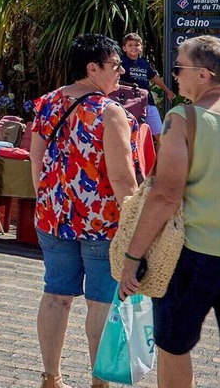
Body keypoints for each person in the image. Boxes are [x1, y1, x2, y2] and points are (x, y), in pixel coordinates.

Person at [118, 35, 220, 387]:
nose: (174, 75)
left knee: (173, 346)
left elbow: (165, 195)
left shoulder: (182, 119)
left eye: (179, 67)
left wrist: (134, 254)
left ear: (204, 75)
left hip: (194, 254)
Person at [28, 34, 139, 388]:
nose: (121, 70)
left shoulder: (46, 102)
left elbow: (36, 159)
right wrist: (137, 221)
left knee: (56, 295)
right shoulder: (110, 112)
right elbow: (123, 177)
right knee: (100, 303)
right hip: (101, 219)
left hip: (53, 216)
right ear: (93, 68)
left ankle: (51, 377)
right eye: (115, 65)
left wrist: (46, 198)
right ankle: (99, 381)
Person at [120, 32, 175, 137]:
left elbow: (155, 78)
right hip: (128, 102)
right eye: (130, 45)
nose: (134, 47)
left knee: (159, 134)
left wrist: (168, 91)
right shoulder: (121, 62)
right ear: (124, 48)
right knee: (132, 134)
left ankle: (158, 154)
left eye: (137, 45)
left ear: (141, 47)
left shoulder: (145, 63)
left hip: (148, 101)